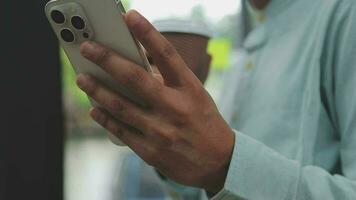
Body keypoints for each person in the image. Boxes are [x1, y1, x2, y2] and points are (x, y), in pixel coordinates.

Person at [75, 0, 356, 199]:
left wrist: (225, 164)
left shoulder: (345, 16)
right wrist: (169, 149)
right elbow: (208, 188)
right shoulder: (241, 46)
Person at [113, 19, 213, 200]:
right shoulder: (130, 162)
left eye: (181, 63)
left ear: (205, 68)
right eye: (150, 60)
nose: (158, 73)